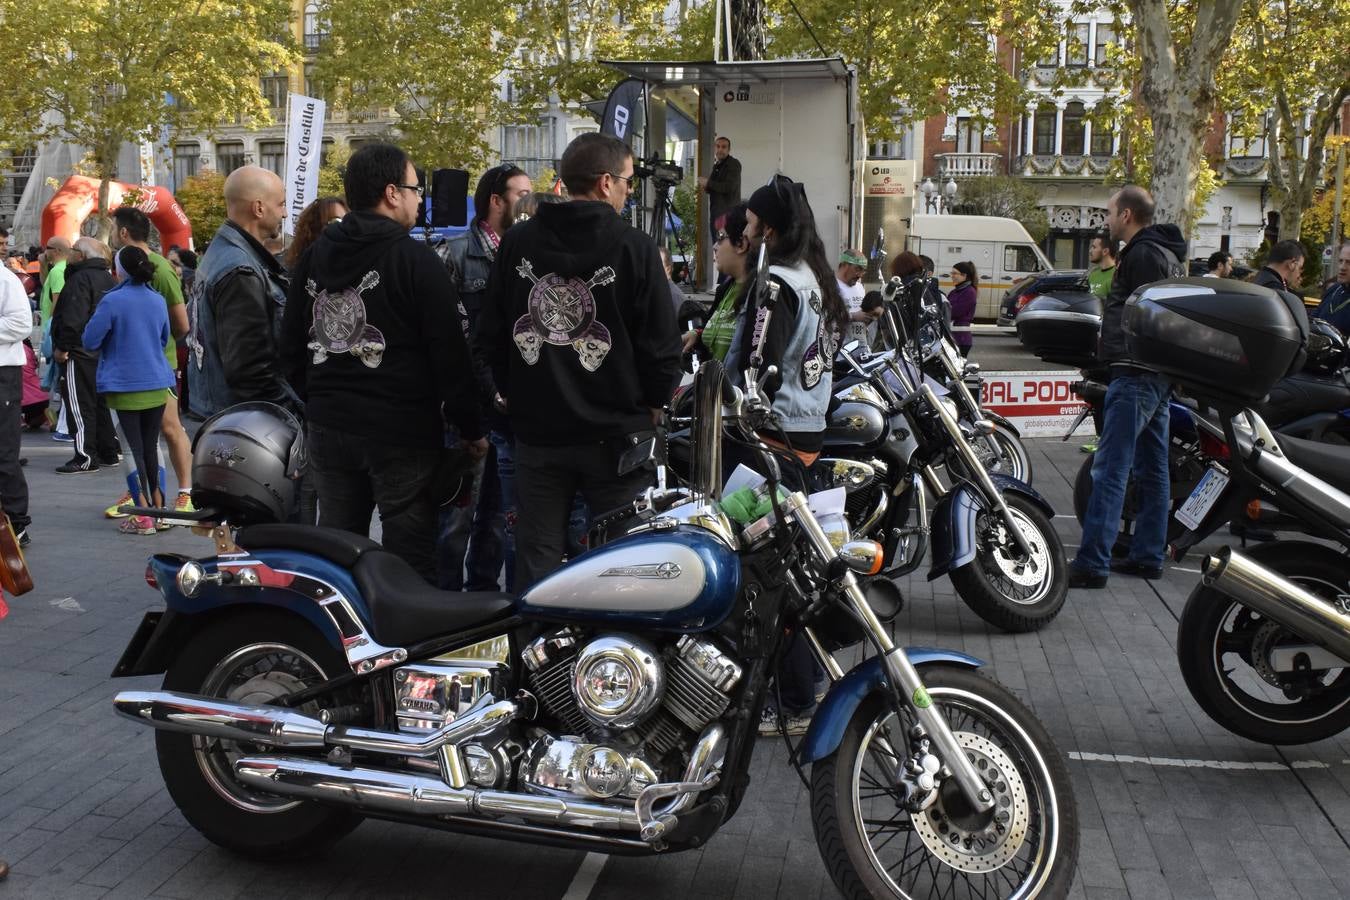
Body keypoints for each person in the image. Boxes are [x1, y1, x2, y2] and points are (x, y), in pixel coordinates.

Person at [477, 132, 681, 589]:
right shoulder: (635, 248)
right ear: (606, 183)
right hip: (617, 436)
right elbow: (662, 345)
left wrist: (508, 396)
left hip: (539, 435)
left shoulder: (516, 244)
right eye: (628, 182)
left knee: (538, 565)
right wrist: (653, 402)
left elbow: (490, 333)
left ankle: (539, 655)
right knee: (623, 567)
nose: (630, 192)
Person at [280, 143, 486, 580]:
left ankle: (338, 641)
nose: (418, 200)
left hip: (330, 425)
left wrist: (320, 395)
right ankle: (407, 643)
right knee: (408, 556)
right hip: (401, 430)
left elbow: (290, 348)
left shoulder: (314, 257)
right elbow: (451, 354)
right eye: (415, 189)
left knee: (336, 550)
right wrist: (471, 428)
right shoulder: (415, 260)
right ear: (392, 193)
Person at [732, 174, 848, 737]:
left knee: (770, 575)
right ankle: (801, 687)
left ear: (769, 229)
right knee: (793, 568)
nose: (744, 229)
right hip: (806, 437)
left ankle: (798, 694)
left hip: (772, 445)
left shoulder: (775, 284)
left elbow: (758, 370)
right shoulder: (815, 278)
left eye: (751, 222)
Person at [1070, 186, 1186, 589]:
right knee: (1152, 468)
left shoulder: (1143, 254)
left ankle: (1092, 562)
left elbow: (1149, 315)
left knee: (1111, 468)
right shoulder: (1166, 255)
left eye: (1110, 212)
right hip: (1155, 373)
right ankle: (1147, 556)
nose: (1106, 219)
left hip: (1137, 372)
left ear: (1127, 215)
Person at [435, 164, 529, 592]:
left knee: (496, 516)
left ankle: (484, 604)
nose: (529, 202)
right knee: (455, 520)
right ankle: (445, 613)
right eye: (521, 193)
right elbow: (443, 338)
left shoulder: (526, 254)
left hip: (505, 409)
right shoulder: (453, 253)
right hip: (465, 412)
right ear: (496, 200)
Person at [82, 247, 177, 536]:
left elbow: (90, 340)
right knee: (151, 446)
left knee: (131, 448)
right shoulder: (157, 300)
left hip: (123, 384)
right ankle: (160, 512)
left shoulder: (112, 301)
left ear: (119, 270)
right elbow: (163, 338)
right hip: (157, 381)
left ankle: (143, 515)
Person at [188, 165, 296, 419]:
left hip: (225, 416)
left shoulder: (223, 255)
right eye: (280, 204)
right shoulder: (239, 269)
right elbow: (250, 372)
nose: (285, 213)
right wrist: (291, 416)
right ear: (259, 208)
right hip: (244, 422)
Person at [106, 207, 193, 520]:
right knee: (138, 438)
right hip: (134, 369)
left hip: (160, 366)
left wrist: (155, 343)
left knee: (169, 429)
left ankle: (185, 494)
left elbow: (182, 323)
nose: (111, 234)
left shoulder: (160, 267)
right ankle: (140, 492)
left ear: (124, 233)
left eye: (113, 228)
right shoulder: (123, 265)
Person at [50, 238, 119, 473]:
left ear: (81, 255)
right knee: (99, 404)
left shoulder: (80, 278)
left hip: (78, 351)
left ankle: (85, 456)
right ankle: (108, 451)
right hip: (99, 351)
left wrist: (63, 346)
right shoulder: (107, 277)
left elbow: (73, 318)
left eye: (72, 251)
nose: (69, 254)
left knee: (79, 404)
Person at [684, 203, 754, 363]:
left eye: (721, 238)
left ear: (741, 244)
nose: (715, 246)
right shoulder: (724, 290)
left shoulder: (758, 294)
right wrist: (698, 335)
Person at [0, 262, 32, 546]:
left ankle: (16, 522)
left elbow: (21, 324)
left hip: (3, 375)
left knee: (4, 453)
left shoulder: (5, 280)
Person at [285, 196, 349, 273]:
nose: (344, 227)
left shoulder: (355, 270)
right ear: (314, 228)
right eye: (336, 222)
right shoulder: (298, 274)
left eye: (347, 222)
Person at [699, 136, 741, 248]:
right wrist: (707, 187)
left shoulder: (733, 164)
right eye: (718, 146)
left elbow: (729, 187)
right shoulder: (717, 165)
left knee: (725, 248)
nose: (720, 149)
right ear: (714, 148)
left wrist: (708, 183)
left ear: (729, 149)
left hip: (727, 215)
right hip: (717, 213)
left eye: (723, 147)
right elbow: (714, 187)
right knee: (718, 247)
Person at [1313, 242, 1350, 333]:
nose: (1342, 267)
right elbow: (1314, 319)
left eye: (1349, 263)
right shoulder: (1334, 290)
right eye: (1340, 261)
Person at [835, 248, 869, 346]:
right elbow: (826, 316)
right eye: (858, 269)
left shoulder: (860, 287)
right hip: (840, 351)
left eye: (863, 271)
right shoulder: (831, 286)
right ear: (845, 264)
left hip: (861, 347)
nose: (860, 275)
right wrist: (853, 316)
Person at [947, 261, 978, 356]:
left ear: (964, 275)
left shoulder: (969, 292)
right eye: (951, 273)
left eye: (955, 273)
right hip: (953, 336)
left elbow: (954, 312)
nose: (952, 276)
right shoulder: (954, 291)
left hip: (961, 338)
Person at [1087, 234, 1117, 298]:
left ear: (1105, 251)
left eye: (1094, 247)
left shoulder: (1117, 276)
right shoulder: (1092, 275)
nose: (1090, 251)